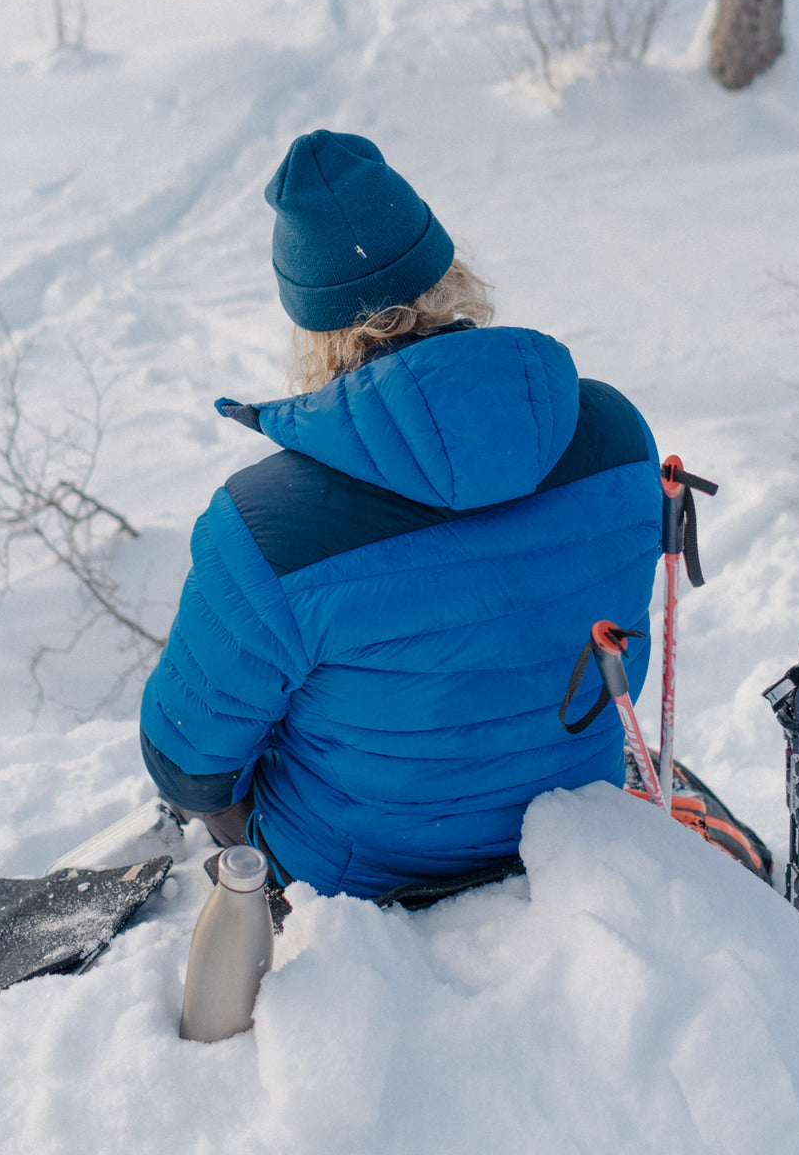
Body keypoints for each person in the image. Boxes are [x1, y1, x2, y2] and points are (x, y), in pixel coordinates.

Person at [139, 129, 662, 899]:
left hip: (357, 876)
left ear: (314, 329)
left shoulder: (263, 523)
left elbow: (189, 764)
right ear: (449, 273)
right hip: (570, 821)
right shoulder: (615, 434)